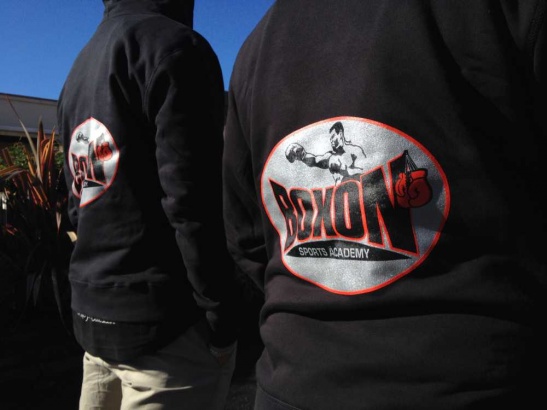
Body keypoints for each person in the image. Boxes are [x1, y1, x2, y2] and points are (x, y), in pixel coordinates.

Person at [222, 1, 547, 409]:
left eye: (338, 136)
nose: (335, 140)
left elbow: (246, 236)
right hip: (477, 377)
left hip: (302, 381)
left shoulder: (258, 47)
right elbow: (249, 234)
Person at [57, 0, 241, 408]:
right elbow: (194, 206)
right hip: (168, 332)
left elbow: (76, 202)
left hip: (93, 318)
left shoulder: (77, 71)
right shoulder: (177, 48)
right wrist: (221, 316)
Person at [285, 121, 367, 185]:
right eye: (330, 138)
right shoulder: (330, 156)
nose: (331, 141)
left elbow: (366, 171)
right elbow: (315, 161)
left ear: (340, 134)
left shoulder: (355, 151)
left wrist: (345, 170)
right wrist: (302, 155)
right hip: (341, 195)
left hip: (359, 192)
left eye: (333, 137)